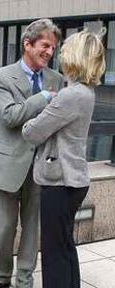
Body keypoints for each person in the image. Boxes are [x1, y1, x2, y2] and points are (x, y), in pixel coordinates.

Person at [0, 18, 64, 288]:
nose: (50, 52)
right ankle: (1, 279)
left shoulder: (57, 79)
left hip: (41, 168)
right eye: (45, 45)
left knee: (31, 231)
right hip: (5, 168)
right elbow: (11, 116)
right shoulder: (1, 76)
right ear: (27, 44)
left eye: (53, 48)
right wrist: (44, 98)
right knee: (3, 231)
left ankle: (24, 281)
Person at [22, 29, 106, 288]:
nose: (60, 54)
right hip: (75, 180)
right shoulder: (87, 92)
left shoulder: (71, 95)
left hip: (59, 182)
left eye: (66, 50)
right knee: (65, 247)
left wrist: (45, 108)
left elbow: (31, 132)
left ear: (76, 57)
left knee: (53, 253)